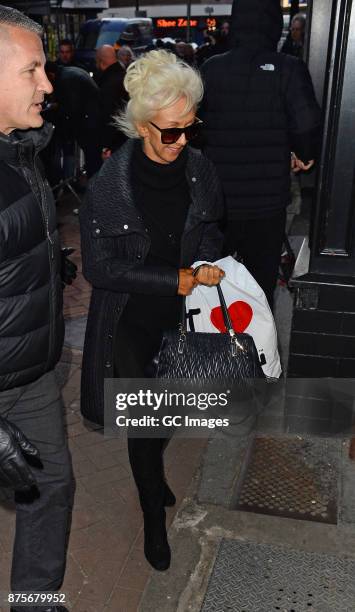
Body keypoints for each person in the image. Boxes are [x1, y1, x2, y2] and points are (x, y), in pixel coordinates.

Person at [79, 50, 225, 571]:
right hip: (131, 321)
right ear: (141, 126)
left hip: (184, 320)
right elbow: (100, 268)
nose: (183, 140)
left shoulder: (201, 171)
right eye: (170, 131)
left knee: (172, 411)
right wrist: (175, 279)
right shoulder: (107, 189)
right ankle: (152, 520)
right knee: (144, 425)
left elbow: (210, 231)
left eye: (190, 127)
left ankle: (156, 471)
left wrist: (210, 265)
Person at [0, 5, 73, 612]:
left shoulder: (19, 150)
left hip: (31, 371)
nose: (47, 84)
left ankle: (35, 602)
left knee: (52, 487)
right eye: (32, 70)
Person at [199, 0, 321, 308]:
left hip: (219, 201)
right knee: (260, 284)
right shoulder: (287, 68)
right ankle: (254, 349)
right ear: (272, 25)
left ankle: (215, 351)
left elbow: (195, 126)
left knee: (215, 279)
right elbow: (306, 122)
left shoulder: (211, 68)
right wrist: (303, 153)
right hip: (266, 201)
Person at [45, 61, 102, 179]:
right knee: (93, 158)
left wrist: (57, 107)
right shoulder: (69, 72)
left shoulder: (66, 79)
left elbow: (73, 107)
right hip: (92, 119)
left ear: (50, 75)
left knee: (92, 159)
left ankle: (94, 187)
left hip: (89, 123)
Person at [95, 45, 128, 156]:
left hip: (115, 144)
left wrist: (107, 145)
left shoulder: (108, 84)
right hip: (127, 138)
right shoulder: (124, 77)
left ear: (101, 61)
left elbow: (108, 116)